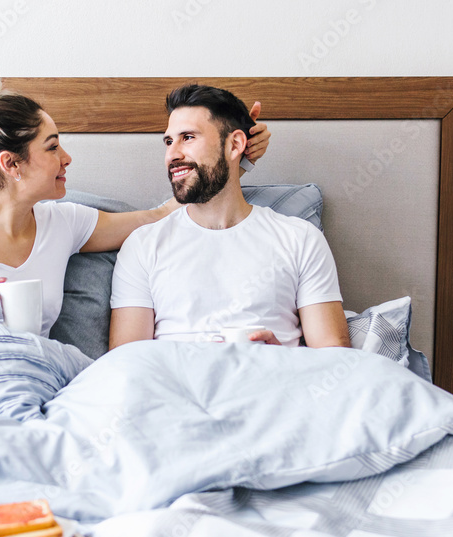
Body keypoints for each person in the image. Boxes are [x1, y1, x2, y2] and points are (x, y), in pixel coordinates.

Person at [0, 63, 271, 342]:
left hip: (27, 380)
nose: (67, 158)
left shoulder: (65, 224)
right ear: (12, 164)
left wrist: (235, 159)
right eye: (53, 147)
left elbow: (161, 215)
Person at [109, 84, 351, 350]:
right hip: (178, 387)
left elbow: (333, 356)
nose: (172, 154)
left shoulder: (300, 238)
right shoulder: (143, 245)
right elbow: (126, 362)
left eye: (188, 137)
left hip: (275, 383)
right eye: (169, 141)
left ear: (235, 144)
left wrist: (282, 357)